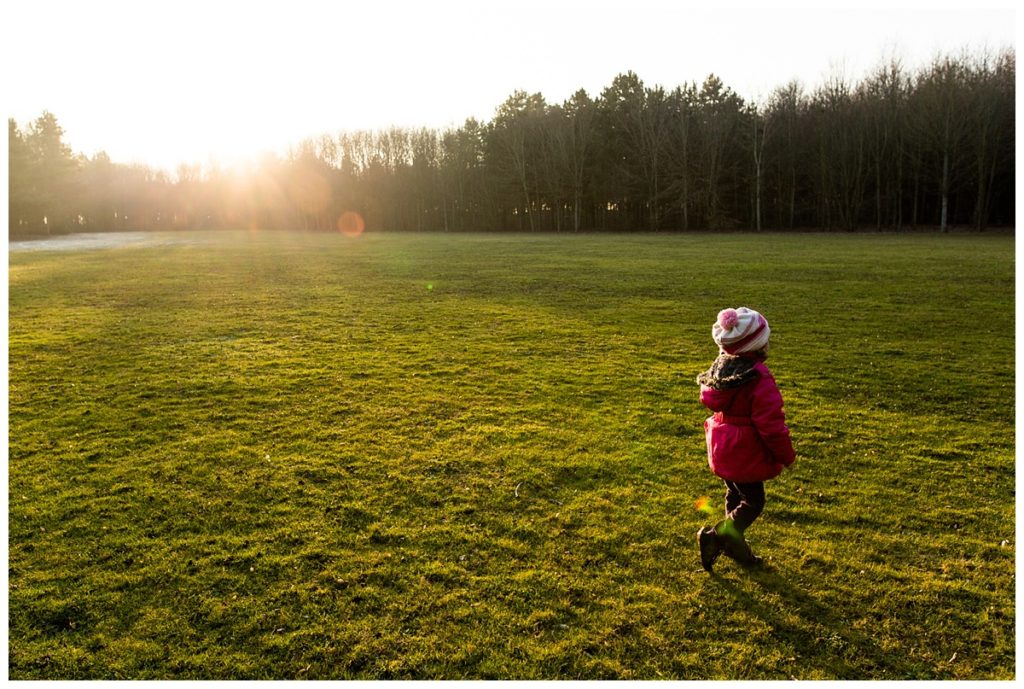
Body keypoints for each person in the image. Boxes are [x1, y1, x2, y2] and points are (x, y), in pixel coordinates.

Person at [695, 307, 795, 572]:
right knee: (753, 501)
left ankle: (736, 548)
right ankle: (718, 537)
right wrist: (786, 455)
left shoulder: (720, 369)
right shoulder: (757, 377)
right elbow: (771, 425)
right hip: (744, 447)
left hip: (721, 442)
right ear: (758, 344)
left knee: (735, 493)